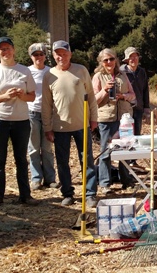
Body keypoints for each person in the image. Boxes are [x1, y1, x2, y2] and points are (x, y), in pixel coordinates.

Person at [0, 36, 38, 207]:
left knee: (21, 158)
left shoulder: (24, 71)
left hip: (21, 121)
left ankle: (25, 196)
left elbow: (32, 96)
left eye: (8, 48)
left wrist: (21, 95)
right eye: (2, 49)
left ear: (14, 50)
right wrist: (5, 96)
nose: (5, 52)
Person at [41, 40, 98, 207]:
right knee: (62, 162)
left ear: (70, 54)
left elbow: (91, 97)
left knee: (86, 160)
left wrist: (93, 118)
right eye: (58, 54)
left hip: (82, 124)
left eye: (64, 53)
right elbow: (46, 104)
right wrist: (47, 127)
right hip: (60, 127)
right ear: (53, 55)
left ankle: (90, 194)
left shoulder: (81, 70)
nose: (61, 57)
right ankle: (67, 193)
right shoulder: (49, 75)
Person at [92, 48, 136, 194]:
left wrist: (122, 96)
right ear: (101, 62)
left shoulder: (122, 75)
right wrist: (105, 90)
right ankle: (105, 183)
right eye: (106, 60)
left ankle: (126, 180)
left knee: (126, 150)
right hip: (106, 119)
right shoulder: (98, 76)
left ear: (116, 60)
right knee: (106, 151)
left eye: (111, 59)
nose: (109, 62)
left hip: (124, 119)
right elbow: (94, 101)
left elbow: (132, 94)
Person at [26, 43, 58, 190]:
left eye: (41, 54)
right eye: (35, 55)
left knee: (47, 148)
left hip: (47, 114)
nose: (38, 57)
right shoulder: (26, 72)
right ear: (31, 57)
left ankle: (50, 178)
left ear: (45, 56)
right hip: (31, 112)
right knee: (33, 148)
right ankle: (36, 178)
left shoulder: (51, 72)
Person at [120, 47, 150, 136]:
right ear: (127, 60)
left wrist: (146, 107)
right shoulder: (121, 72)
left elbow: (145, 89)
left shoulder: (142, 71)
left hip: (138, 108)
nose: (134, 59)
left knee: (136, 134)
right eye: (131, 57)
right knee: (125, 134)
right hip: (124, 108)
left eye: (135, 56)